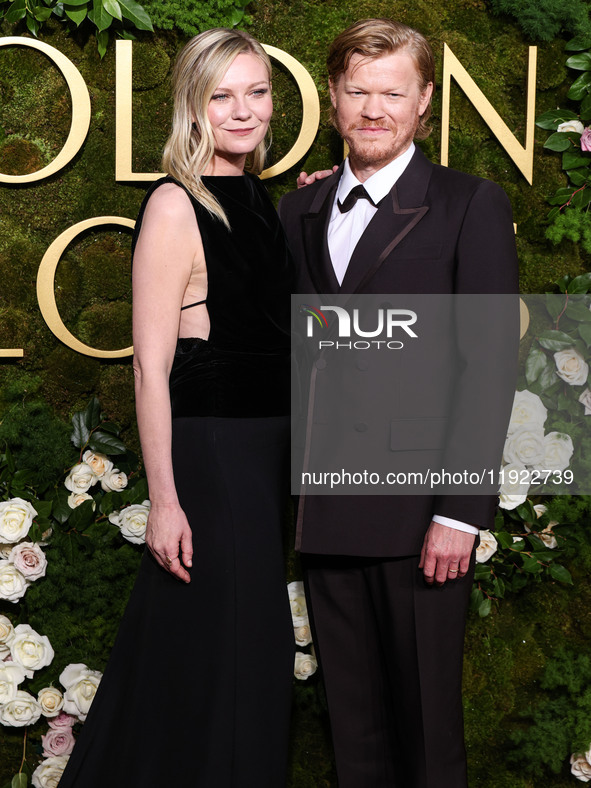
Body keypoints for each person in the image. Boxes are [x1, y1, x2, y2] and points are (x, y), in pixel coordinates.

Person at [278, 18, 519, 788]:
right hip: (327, 506)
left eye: (391, 93)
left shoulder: (468, 204)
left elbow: (487, 365)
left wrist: (459, 512)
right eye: (357, 92)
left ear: (423, 104)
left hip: (421, 513)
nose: (372, 110)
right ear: (332, 98)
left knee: (426, 735)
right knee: (354, 730)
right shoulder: (298, 211)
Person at [58, 28, 294, 788]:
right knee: (210, 651)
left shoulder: (259, 198)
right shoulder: (171, 204)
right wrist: (164, 499)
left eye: (255, 92)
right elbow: (148, 370)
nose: (242, 110)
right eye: (221, 95)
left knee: (244, 650)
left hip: (262, 458)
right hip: (212, 460)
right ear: (192, 106)